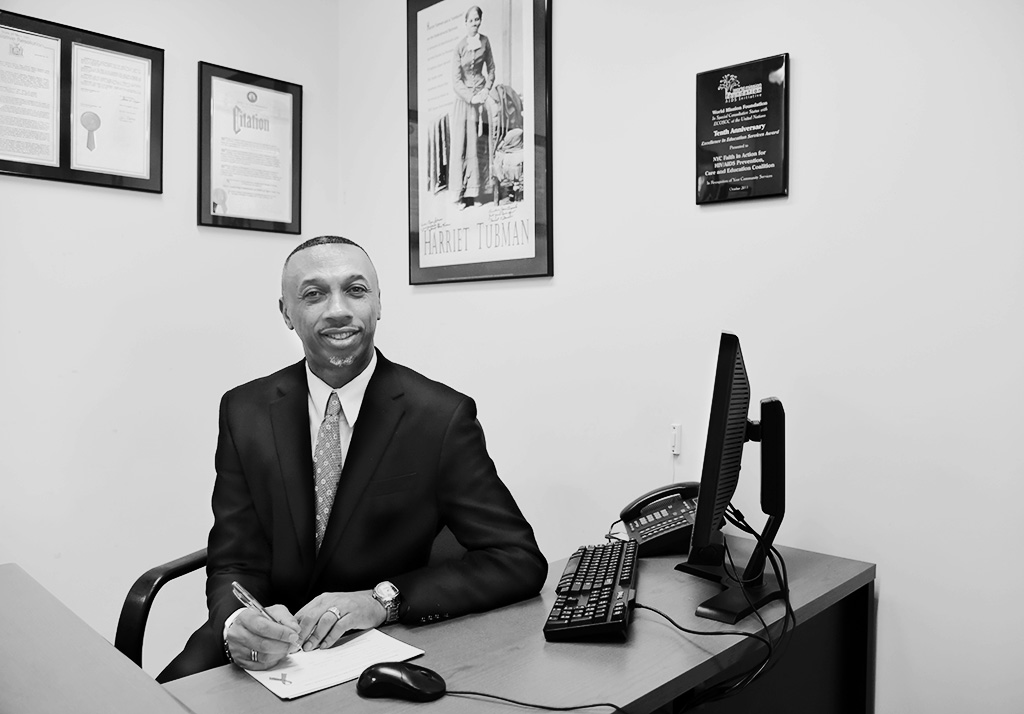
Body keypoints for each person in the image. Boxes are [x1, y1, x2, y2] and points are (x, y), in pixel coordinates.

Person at [157, 235, 547, 682]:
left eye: (356, 290)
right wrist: (237, 621)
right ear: (286, 312)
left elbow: (516, 558)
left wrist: (381, 600)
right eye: (313, 294)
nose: (338, 309)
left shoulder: (440, 417)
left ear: (378, 304)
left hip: (373, 645)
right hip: (265, 644)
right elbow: (234, 558)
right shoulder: (244, 411)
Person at [449, 5, 495, 210]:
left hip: (481, 99)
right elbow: (456, 81)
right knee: (462, 145)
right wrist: (471, 97)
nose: (474, 23)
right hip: (465, 102)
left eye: (477, 20)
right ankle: (461, 196)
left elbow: (491, 69)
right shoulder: (459, 47)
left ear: (480, 21)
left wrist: (486, 90)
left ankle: (477, 193)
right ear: (465, 23)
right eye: (471, 20)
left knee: (479, 145)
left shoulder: (485, 41)